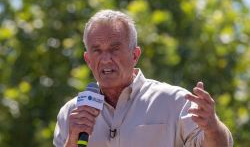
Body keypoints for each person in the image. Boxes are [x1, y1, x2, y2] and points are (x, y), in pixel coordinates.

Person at [53, 9, 233, 147]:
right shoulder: (71, 113)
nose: (106, 59)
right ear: (88, 60)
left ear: (135, 55)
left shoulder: (175, 101)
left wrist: (212, 126)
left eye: (115, 49)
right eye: (97, 50)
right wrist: (72, 141)